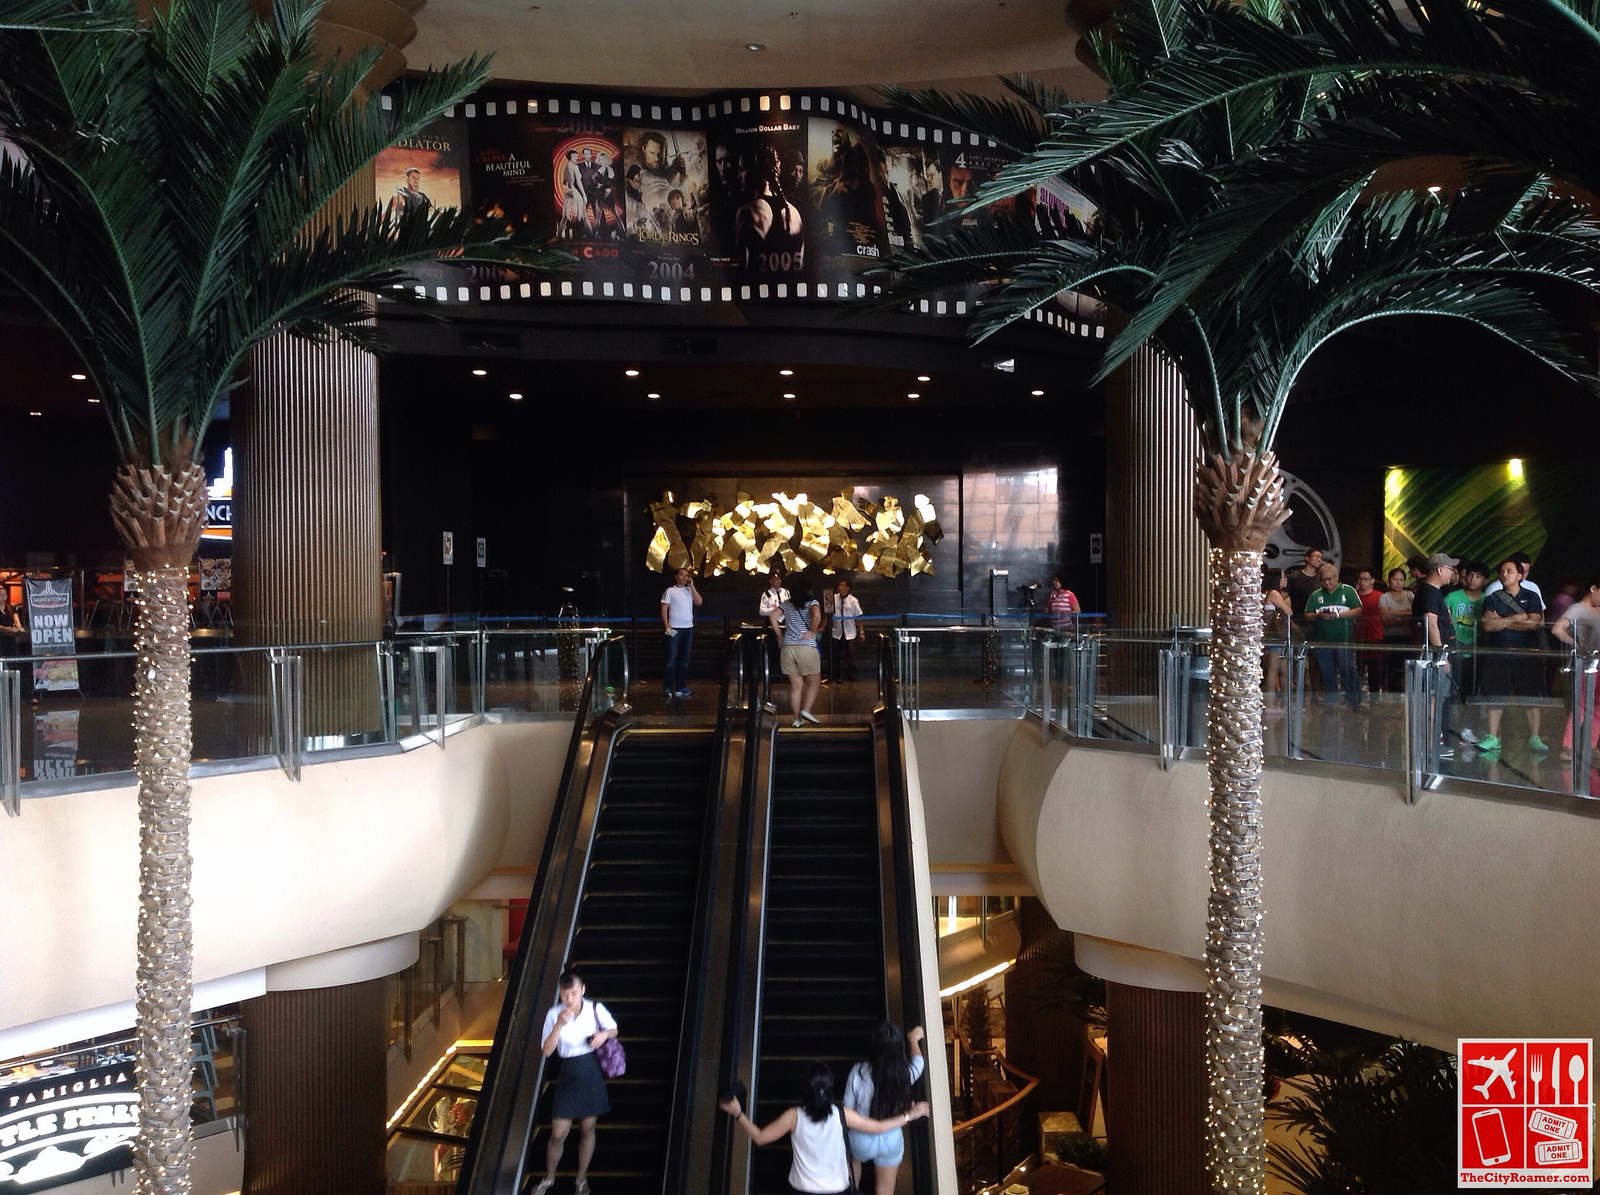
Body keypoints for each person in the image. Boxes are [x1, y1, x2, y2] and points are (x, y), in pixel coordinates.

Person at [719, 1063, 930, 1195]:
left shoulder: (794, 1115)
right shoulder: (841, 1114)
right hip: (837, 1189)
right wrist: (911, 1114)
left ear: (804, 1089)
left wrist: (738, 1113)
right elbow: (878, 1128)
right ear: (829, 1088)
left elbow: (760, 1138)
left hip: (802, 1189)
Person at [533, 963, 618, 1195]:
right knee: (558, 1133)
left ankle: (581, 1178)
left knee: (588, 1129)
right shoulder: (553, 1014)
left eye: (573, 993)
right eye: (564, 994)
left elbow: (614, 1029)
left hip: (591, 1070)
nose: (568, 998)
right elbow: (547, 1050)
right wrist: (560, 1023)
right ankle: (549, 1177)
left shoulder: (595, 1008)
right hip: (568, 1071)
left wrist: (603, 1035)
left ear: (582, 990)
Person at [1478, 557, 1548, 757]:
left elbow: (1535, 623)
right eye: (1501, 571)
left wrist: (1503, 621)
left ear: (1520, 575)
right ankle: (1492, 737)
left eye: (1509, 571)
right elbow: (1488, 626)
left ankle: (1535, 736)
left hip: (1526, 654)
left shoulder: (1532, 596)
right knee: (1495, 695)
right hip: (1498, 654)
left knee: (1531, 696)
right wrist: (1516, 618)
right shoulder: (1492, 598)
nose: (1504, 574)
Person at [844, 1024, 926, 1195]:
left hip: (860, 1138)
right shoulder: (905, 1075)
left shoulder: (858, 1072)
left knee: (854, 1160)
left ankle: (853, 1188)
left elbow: (847, 1109)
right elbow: (919, 1062)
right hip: (891, 1139)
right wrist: (913, 1040)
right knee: (884, 1192)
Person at [1550, 576, 1600, 761]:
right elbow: (1557, 629)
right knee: (1580, 705)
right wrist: (1577, 646)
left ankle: (1592, 745)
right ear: (1593, 589)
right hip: (1587, 664)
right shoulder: (1577, 608)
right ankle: (1568, 746)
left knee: (1598, 707)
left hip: (1598, 664)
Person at [1304, 563, 1363, 711]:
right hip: (1323, 641)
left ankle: (1354, 701)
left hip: (1343, 640)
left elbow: (1358, 610)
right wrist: (1319, 616)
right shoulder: (1317, 595)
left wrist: (1338, 615)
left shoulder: (1348, 591)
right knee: (1327, 672)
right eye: (1323, 580)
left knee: (1348, 669)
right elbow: (1307, 614)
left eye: (1330, 579)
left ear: (1336, 578)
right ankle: (1331, 703)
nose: (1327, 583)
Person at [1446, 560, 1489, 737]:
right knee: (1450, 691)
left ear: (1484, 580)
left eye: (1478, 576)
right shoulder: (1452, 597)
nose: (1473, 579)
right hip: (1454, 652)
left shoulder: (1487, 601)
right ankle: (1447, 727)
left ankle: (1469, 728)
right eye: (1470, 575)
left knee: (1472, 692)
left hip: (1475, 653)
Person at [769, 587, 823, 726]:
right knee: (813, 682)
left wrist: (780, 636)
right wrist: (812, 631)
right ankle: (806, 710)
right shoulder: (812, 603)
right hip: (806, 648)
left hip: (788, 649)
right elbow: (817, 616)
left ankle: (796, 719)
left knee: (796, 686)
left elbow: (773, 617)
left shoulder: (786, 604)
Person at [661, 565, 701, 699]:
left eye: (686, 575)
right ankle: (667, 687)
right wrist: (666, 625)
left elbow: (699, 602)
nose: (684, 577)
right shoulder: (670, 591)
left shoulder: (689, 591)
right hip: (675, 628)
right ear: (676, 576)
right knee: (672, 658)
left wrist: (692, 587)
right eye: (682, 575)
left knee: (684, 659)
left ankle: (680, 686)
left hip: (688, 627)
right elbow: (664, 608)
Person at [1378, 566, 1415, 691]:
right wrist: (1406, 614)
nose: (1398, 582)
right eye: (1395, 579)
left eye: (1401, 579)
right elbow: (1385, 619)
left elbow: (1415, 615)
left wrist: (1394, 614)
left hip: (1408, 637)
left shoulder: (1410, 596)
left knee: (1407, 669)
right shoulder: (1384, 598)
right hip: (1390, 637)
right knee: (1392, 670)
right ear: (1389, 580)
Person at [1353, 567, 1386, 697]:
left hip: (1375, 637)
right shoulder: (1354, 595)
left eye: (1365, 579)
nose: (1362, 582)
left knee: (1375, 672)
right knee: (1357, 671)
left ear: (1372, 581)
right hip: (1357, 638)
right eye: (1360, 579)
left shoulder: (1379, 596)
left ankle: (1375, 698)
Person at [1261, 568, 1292, 700]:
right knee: (1274, 670)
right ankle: (1271, 703)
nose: (1286, 580)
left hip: (1273, 635)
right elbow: (1288, 611)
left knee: (1283, 670)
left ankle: (1284, 701)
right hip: (1274, 635)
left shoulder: (1267, 592)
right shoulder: (1274, 593)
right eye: (1283, 577)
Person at [827, 577, 865, 682]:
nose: (840, 588)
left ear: (848, 588)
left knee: (851, 655)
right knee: (836, 655)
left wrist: (861, 631)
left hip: (850, 631)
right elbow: (827, 613)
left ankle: (853, 675)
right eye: (839, 585)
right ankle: (836, 676)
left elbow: (859, 617)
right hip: (837, 631)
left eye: (843, 586)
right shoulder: (834, 598)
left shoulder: (853, 600)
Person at [1284, 548, 1324, 623]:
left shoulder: (1321, 579)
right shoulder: (1295, 577)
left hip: (1316, 621)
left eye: (1320, 558)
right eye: (1315, 556)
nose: (1318, 559)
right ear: (1307, 558)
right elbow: (1283, 596)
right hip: (1297, 620)